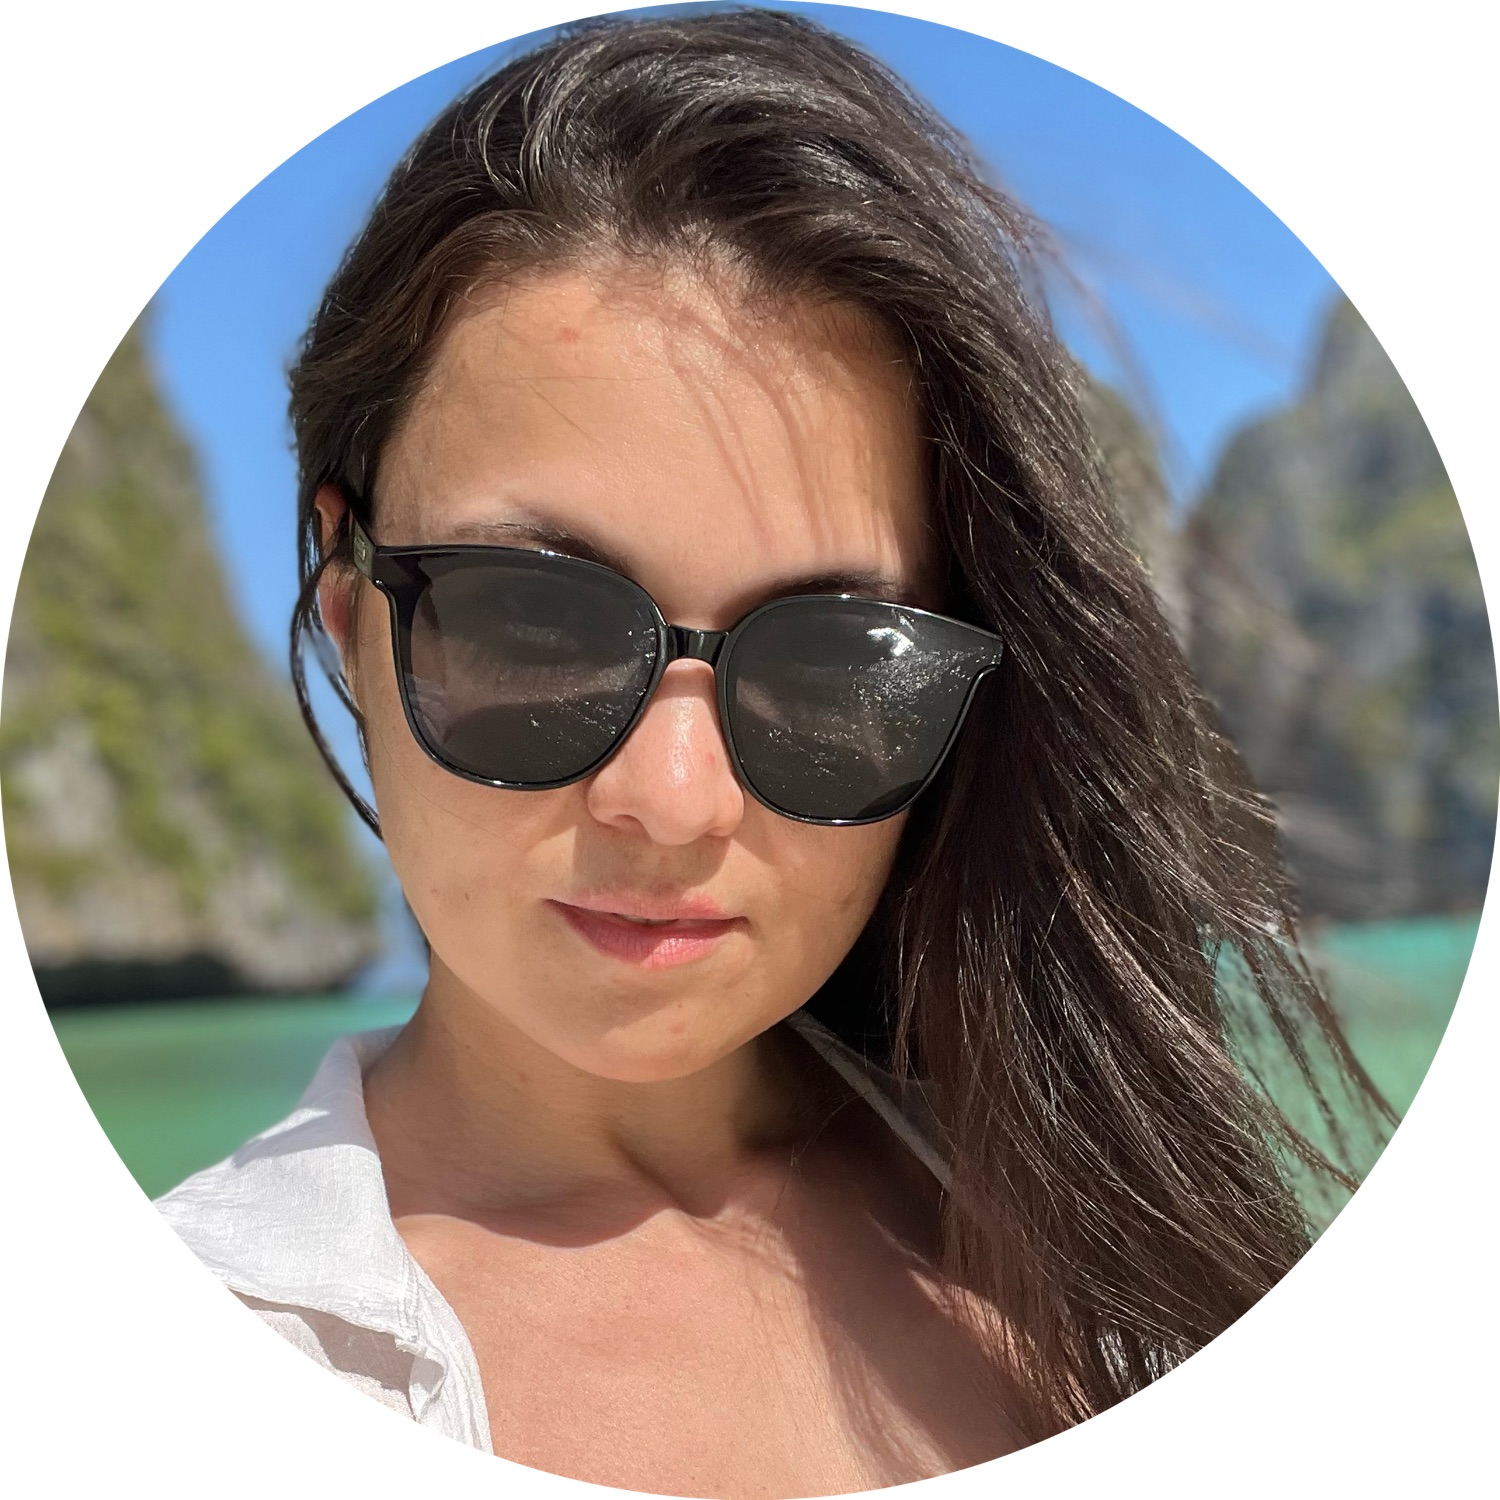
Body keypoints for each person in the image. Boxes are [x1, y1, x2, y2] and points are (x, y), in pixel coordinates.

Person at [157, 10, 1387, 1495]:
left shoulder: (1128, 1247)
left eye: (835, 661)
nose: (674, 801)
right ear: (352, 611)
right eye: (535, 626)